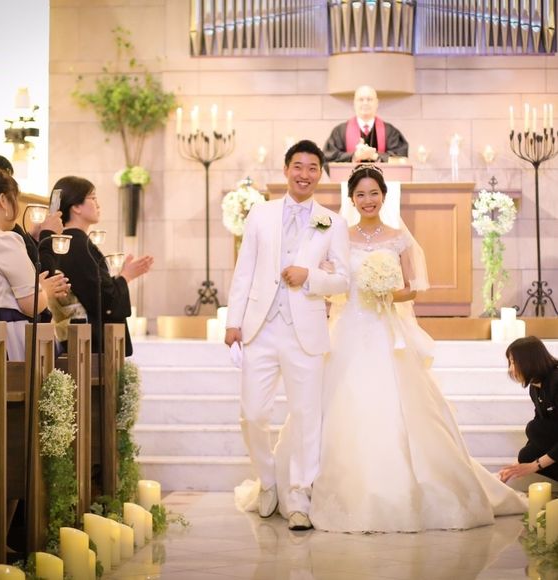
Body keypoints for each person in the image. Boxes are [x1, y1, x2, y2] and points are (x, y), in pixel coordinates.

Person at [267, 163, 526, 532]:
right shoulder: (338, 234)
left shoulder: (398, 237)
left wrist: (387, 293)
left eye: (373, 193)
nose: (367, 200)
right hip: (348, 327)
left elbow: (412, 287)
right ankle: (304, 487)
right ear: (351, 199)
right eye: (360, 194)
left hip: (385, 328)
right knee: (333, 400)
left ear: (384, 196)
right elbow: (329, 277)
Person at [225, 140, 350, 531]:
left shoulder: (332, 222)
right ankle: (268, 481)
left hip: (305, 331)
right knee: (252, 414)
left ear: (320, 174)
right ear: (286, 169)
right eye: (298, 166)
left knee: (306, 416)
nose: (304, 175)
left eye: (312, 168)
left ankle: (299, 496)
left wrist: (310, 276)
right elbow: (244, 270)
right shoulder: (260, 214)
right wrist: (233, 321)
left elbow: (344, 280)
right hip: (260, 328)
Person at [46, 176, 153, 356]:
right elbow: (102, 300)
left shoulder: (68, 242)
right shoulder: (77, 245)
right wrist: (126, 276)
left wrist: (122, 277)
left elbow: (93, 288)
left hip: (80, 339)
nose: (98, 205)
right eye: (93, 198)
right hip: (88, 345)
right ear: (76, 206)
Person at [0, 161, 69, 360]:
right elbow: (33, 304)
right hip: (0, 344)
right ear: (3, 200)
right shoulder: (3, 241)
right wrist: (43, 289)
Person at [499, 336, 558, 490]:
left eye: (513, 362)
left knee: (535, 429)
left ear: (529, 361)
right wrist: (517, 467)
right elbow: (540, 424)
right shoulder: (535, 388)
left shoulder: (556, 381)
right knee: (526, 454)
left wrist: (535, 465)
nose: (511, 369)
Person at [323, 85, 408, 167]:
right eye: (361, 99)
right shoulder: (340, 132)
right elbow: (330, 158)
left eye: (369, 99)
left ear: (377, 103)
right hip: (349, 178)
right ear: (354, 103)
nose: (365, 103)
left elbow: (400, 159)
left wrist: (375, 156)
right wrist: (355, 156)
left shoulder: (390, 132)